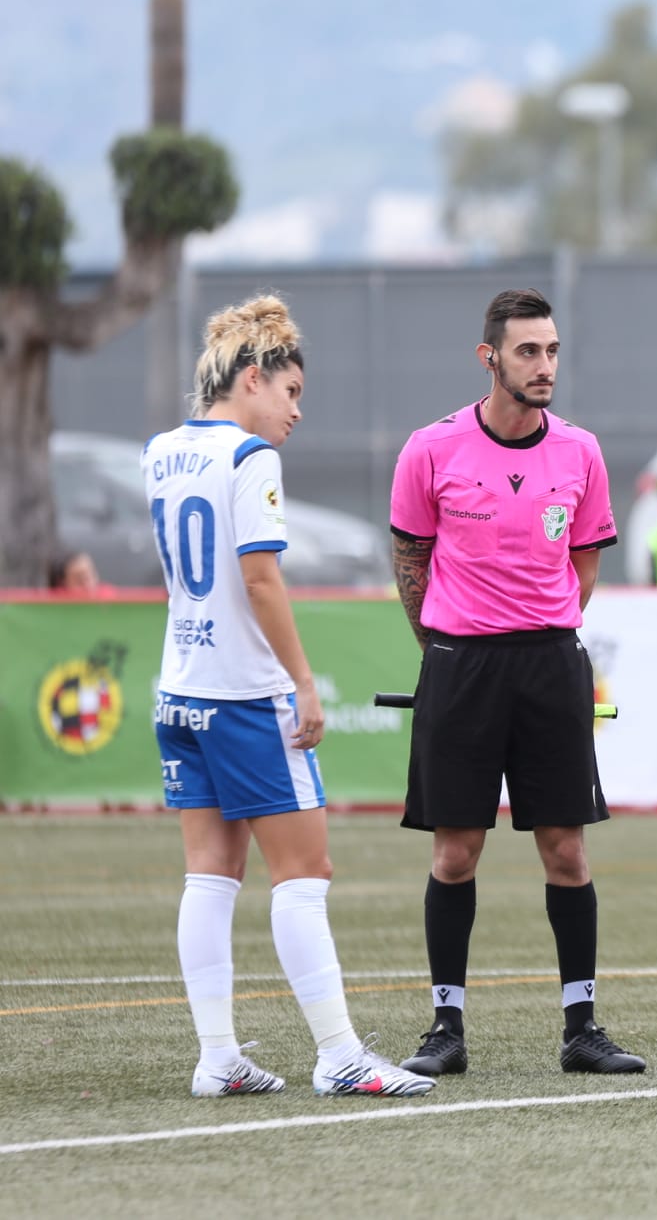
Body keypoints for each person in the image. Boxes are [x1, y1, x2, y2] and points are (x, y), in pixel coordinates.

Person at [145, 294, 432, 1099]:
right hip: (243, 694)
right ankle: (339, 1053)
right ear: (250, 376)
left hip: (180, 689)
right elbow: (260, 575)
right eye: (291, 391)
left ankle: (217, 1055)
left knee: (209, 873)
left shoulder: (160, 450)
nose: (296, 411)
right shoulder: (248, 458)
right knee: (305, 872)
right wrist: (303, 680)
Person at [388, 288, 645, 1078]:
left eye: (553, 351)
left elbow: (587, 562)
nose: (544, 366)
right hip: (460, 665)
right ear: (489, 356)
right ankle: (445, 1027)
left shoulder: (582, 451)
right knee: (456, 852)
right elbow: (409, 564)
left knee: (566, 850)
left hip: (551, 665)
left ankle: (581, 1026)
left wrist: (544, 626)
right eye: (529, 351)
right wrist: (446, 646)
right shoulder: (429, 449)